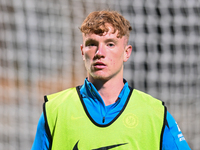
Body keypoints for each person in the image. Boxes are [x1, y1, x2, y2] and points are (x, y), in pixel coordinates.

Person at [32, 10, 191, 150]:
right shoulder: (54, 111)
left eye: (110, 44)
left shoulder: (155, 113)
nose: (100, 52)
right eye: (92, 44)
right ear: (82, 52)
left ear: (126, 53)